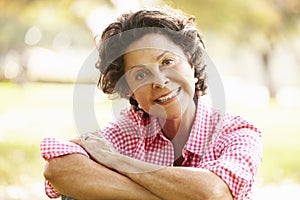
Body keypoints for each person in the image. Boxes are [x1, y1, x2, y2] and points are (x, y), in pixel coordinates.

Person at [41, 6, 262, 200]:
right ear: (131, 92)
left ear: (191, 64)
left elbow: (213, 193)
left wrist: (116, 161)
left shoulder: (237, 132)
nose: (159, 80)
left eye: (167, 61)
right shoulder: (130, 130)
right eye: (140, 75)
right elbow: (58, 168)